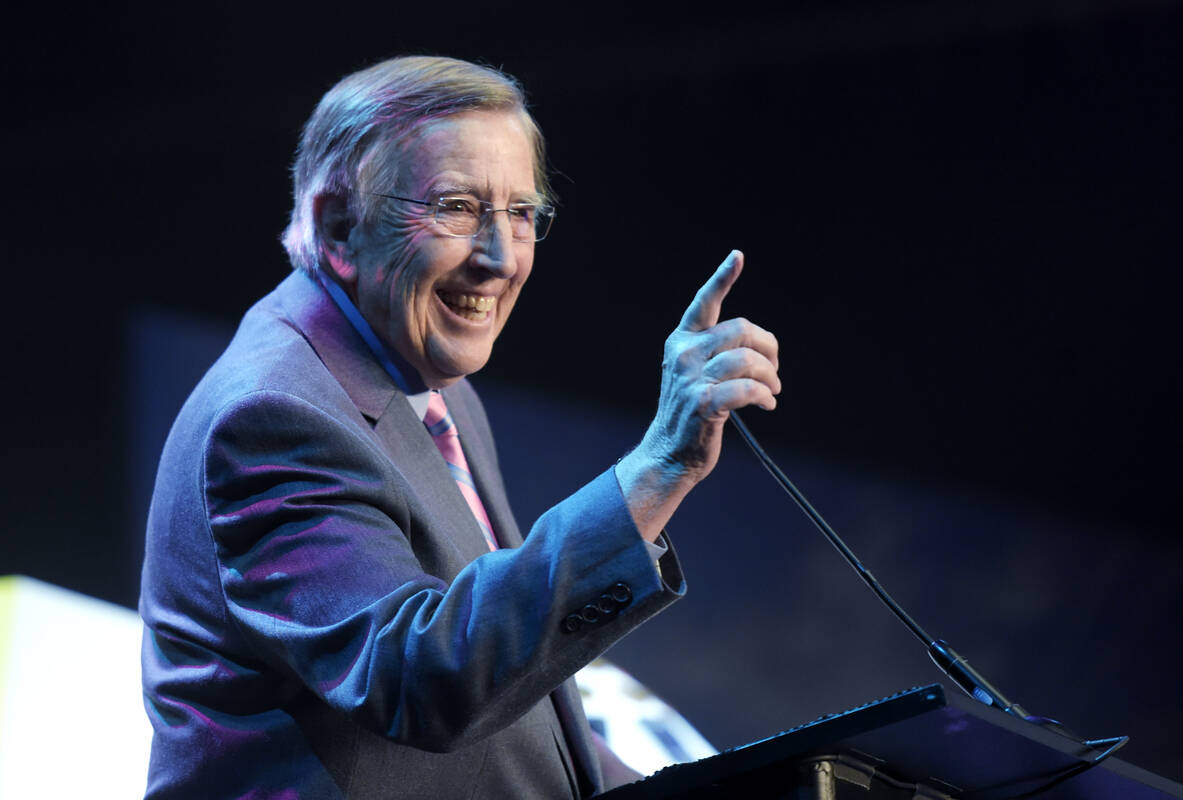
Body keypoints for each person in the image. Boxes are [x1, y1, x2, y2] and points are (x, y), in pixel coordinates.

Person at [139, 55, 780, 799]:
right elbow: (424, 675)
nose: (500, 258)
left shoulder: (428, 383)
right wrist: (659, 468)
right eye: (455, 208)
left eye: (519, 213)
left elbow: (510, 683)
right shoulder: (273, 418)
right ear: (340, 227)